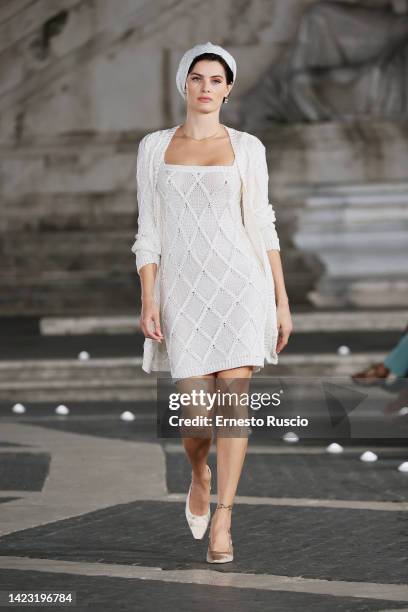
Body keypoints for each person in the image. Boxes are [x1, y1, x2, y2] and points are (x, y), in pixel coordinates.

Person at [131, 41, 292, 563]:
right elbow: (148, 231)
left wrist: (281, 301)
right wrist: (148, 297)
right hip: (184, 293)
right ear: (185, 83)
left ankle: (224, 518)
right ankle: (198, 473)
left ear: (228, 89)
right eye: (197, 78)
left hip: (242, 286)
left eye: (216, 80)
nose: (206, 88)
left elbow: (263, 223)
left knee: (234, 409)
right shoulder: (154, 147)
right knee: (197, 419)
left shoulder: (247, 147)